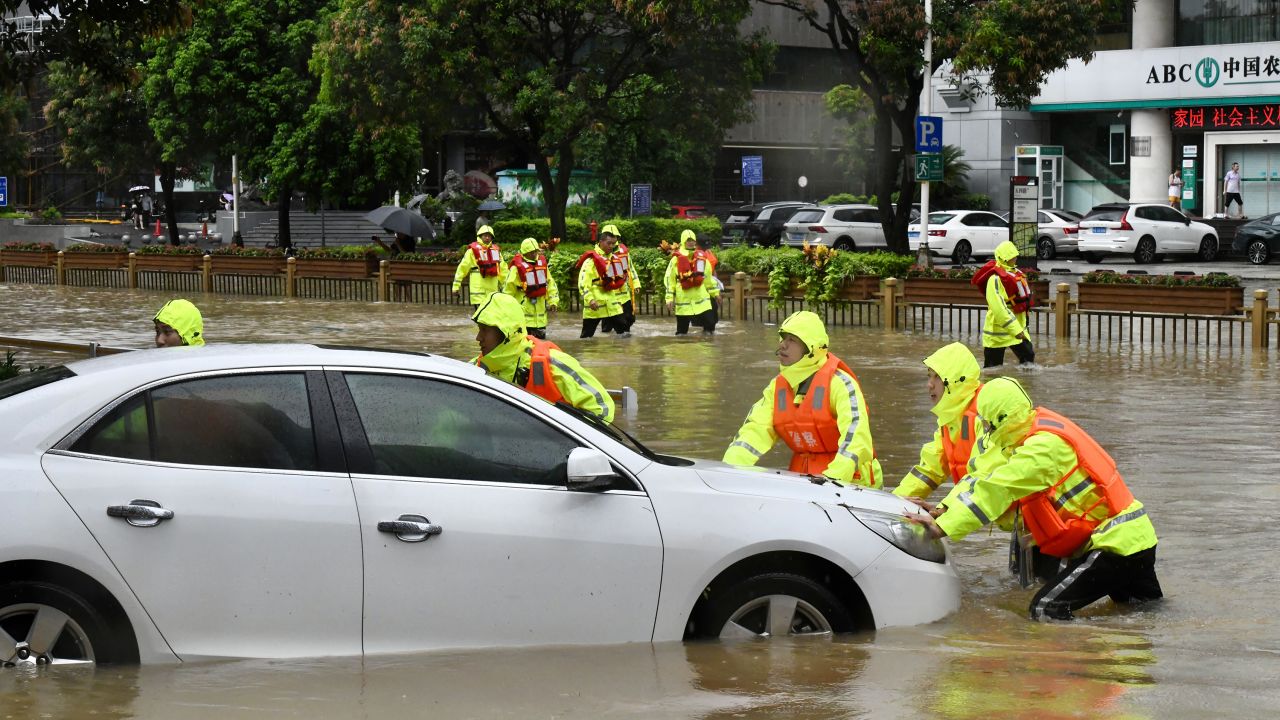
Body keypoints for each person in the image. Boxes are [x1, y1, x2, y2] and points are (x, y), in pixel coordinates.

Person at [905, 377, 1162, 620]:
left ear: (1000, 420)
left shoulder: (1041, 450)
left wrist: (943, 528)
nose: (984, 430)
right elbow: (980, 477)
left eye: (986, 423)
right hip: (1136, 539)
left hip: (1116, 545)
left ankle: (1082, 659)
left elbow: (996, 490)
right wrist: (944, 509)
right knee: (1144, 616)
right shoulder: (1026, 434)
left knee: (1044, 610)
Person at [722, 310, 882, 488]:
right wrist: (730, 469)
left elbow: (857, 439)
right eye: (783, 338)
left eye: (792, 340)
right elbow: (754, 431)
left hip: (851, 484)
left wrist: (833, 481)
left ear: (811, 348)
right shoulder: (777, 387)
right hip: (803, 480)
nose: (783, 345)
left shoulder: (840, 384)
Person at [471, 292, 615, 423]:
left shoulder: (553, 364)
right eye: (479, 329)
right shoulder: (474, 368)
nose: (478, 337)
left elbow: (601, 408)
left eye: (484, 330)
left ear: (506, 333)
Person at [893, 342, 985, 499]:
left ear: (955, 380)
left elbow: (983, 478)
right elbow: (930, 469)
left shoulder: (984, 415)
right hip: (1008, 517)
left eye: (938, 377)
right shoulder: (951, 419)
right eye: (929, 376)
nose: (929, 385)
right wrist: (895, 501)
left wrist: (943, 511)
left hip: (1022, 516)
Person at [976, 240, 1034, 368]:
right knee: (993, 369)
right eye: (1012, 256)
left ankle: (1024, 386)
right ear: (1005, 258)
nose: (1015, 258)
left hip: (1017, 328)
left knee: (1028, 360)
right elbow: (999, 309)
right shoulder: (995, 279)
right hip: (997, 333)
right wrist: (1015, 329)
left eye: (1015, 255)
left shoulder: (1015, 273)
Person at [664, 229, 719, 335]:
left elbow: (708, 278)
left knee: (709, 329)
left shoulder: (702, 258)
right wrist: (669, 298)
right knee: (681, 333)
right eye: (688, 240)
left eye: (692, 240)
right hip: (683, 300)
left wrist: (716, 293)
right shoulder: (675, 260)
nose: (690, 242)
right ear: (683, 241)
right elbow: (670, 280)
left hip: (701, 300)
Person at [505, 237, 560, 339]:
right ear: (524, 253)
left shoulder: (542, 265)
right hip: (523, 319)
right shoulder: (516, 268)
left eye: (536, 251)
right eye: (531, 252)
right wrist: (506, 309)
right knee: (525, 347)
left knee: (541, 348)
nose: (534, 254)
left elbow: (550, 283)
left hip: (540, 320)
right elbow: (508, 289)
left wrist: (553, 301)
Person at [575, 230, 627, 338]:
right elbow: (583, 283)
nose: (611, 246)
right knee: (586, 338)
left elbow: (619, 281)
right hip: (595, 305)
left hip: (612, 305)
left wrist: (623, 299)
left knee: (624, 334)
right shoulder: (591, 261)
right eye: (609, 243)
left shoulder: (615, 259)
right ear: (601, 242)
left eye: (614, 243)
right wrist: (590, 299)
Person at [452, 225, 505, 309]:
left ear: (492, 237)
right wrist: (456, 286)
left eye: (489, 236)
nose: (487, 238)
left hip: (492, 291)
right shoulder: (471, 251)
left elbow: (503, 270)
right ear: (480, 236)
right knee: (481, 318)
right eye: (485, 235)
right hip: (478, 292)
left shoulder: (495, 251)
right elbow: (462, 269)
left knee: (490, 318)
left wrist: (506, 287)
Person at [602, 225, 640, 336]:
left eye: (615, 237)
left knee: (629, 318)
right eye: (610, 237)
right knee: (607, 324)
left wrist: (636, 284)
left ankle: (624, 342)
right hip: (608, 294)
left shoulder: (624, 252)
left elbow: (630, 269)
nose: (613, 240)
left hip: (624, 293)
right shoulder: (598, 254)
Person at [697, 234, 722, 328]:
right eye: (703, 247)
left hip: (710, 287)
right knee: (706, 318)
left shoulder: (709, 253)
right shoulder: (694, 255)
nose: (705, 250)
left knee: (712, 317)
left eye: (706, 247)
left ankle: (708, 337)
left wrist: (717, 289)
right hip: (699, 291)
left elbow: (713, 270)